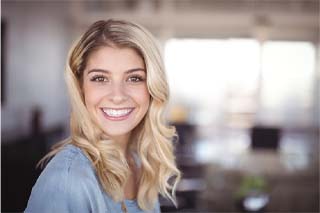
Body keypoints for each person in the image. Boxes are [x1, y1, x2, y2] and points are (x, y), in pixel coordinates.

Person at [25, 19, 181, 213]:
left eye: (134, 78)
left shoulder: (138, 162)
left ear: (152, 87)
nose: (117, 96)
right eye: (100, 78)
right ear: (81, 87)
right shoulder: (67, 181)